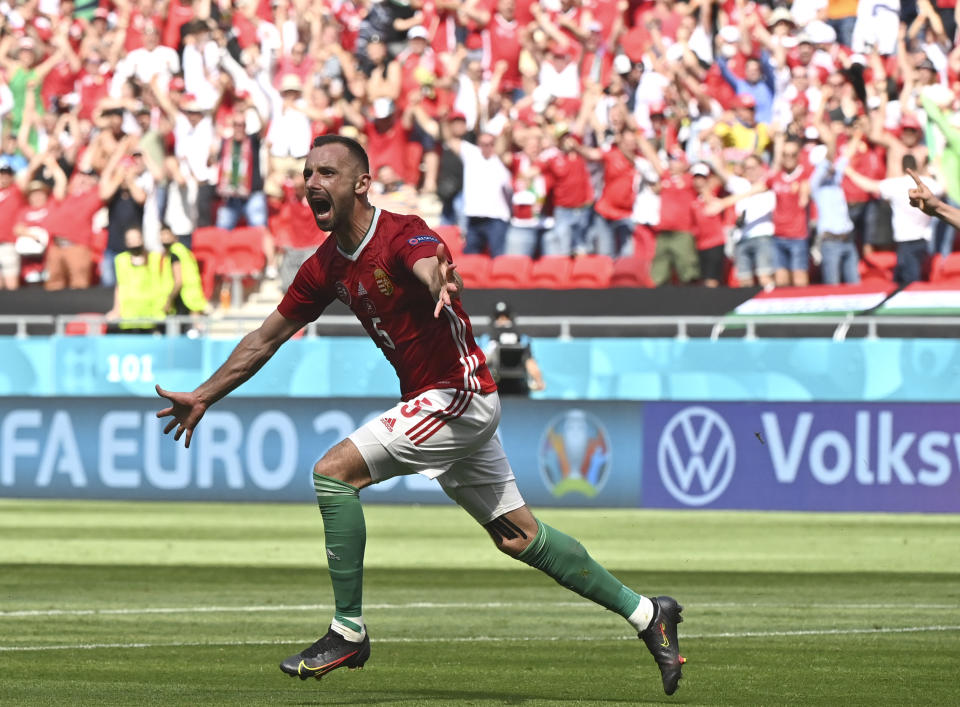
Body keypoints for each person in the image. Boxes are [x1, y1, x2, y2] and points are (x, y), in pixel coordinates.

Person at [154, 135, 685, 696]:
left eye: (327, 173)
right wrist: (206, 394)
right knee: (519, 537)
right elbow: (265, 338)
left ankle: (348, 631)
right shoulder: (326, 266)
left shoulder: (402, 232)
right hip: (442, 403)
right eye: (308, 173)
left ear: (361, 183)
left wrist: (437, 277)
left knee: (334, 473)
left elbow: (428, 260)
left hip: (458, 393)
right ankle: (650, 615)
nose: (312, 183)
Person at [482, 301, 546, 396]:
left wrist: (538, 381)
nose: (502, 320)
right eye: (499, 317)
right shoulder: (489, 337)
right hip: (500, 386)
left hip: (514, 386)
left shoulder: (522, 338)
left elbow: (530, 361)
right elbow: (482, 360)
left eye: (505, 317)